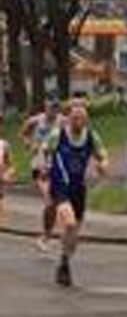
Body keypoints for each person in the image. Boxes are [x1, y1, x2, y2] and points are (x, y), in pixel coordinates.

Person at [44, 98, 110, 289]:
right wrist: (45, 168)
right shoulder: (58, 135)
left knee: (73, 235)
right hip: (60, 185)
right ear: (68, 118)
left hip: (78, 188)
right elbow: (44, 151)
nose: (78, 122)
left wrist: (103, 165)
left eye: (82, 118)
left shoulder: (91, 136)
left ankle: (64, 262)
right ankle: (63, 260)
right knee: (70, 222)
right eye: (75, 118)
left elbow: (102, 154)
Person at [23, 98, 60, 253]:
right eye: (51, 107)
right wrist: (29, 144)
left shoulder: (62, 121)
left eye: (56, 108)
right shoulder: (35, 120)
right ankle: (44, 238)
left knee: (55, 204)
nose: (53, 110)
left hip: (56, 166)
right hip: (39, 165)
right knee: (50, 201)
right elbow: (23, 133)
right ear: (45, 107)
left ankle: (46, 237)